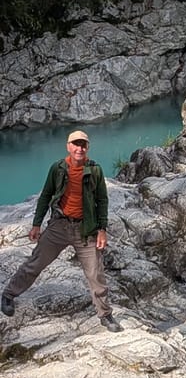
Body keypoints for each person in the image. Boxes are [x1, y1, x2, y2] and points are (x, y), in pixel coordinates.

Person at [1, 130, 122, 332]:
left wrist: (102, 229)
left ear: (87, 148)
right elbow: (46, 195)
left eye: (83, 144)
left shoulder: (95, 170)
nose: (79, 148)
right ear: (68, 146)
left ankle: (106, 315)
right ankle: (8, 294)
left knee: (95, 273)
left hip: (86, 228)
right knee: (35, 262)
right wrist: (37, 224)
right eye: (75, 144)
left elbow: (102, 200)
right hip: (59, 225)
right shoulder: (57, 168)